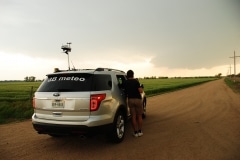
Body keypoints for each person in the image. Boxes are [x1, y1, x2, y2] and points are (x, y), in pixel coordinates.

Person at [123, 70, 144, 137]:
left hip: (130, 100)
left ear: (127, 75)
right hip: (137, 100)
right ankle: (140, 131)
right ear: (133, 75)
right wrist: (141, 87)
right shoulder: (136, 81)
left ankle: (135, 132)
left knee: (133, 116)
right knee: (139, 116)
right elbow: (140, 91)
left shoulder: (125, 82)